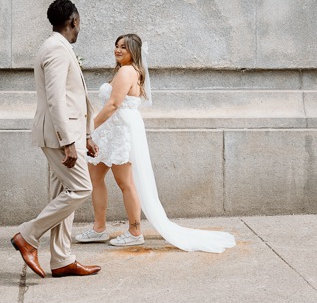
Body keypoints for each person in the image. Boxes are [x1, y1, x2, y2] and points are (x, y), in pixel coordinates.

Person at [75, 33, 236, 253]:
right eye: (116, 46)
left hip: (119, 131)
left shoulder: (127, 71)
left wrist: (89, 129)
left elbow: (113, 105)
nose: (118, 49)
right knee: (95, 177)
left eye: (124, 47)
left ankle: (134, 232)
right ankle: (99, 228)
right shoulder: (127, 71)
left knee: (125, 182)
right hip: (110, 131)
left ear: (134, 51)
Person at [11, 0, 102, 278]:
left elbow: (74, 98)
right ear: (73, 21)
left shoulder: (59, 47)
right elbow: (56, 100)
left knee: (62, 195)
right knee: (81, 189)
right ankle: (28, 235)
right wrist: (67, 141)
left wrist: (84, 134)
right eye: (79, 22)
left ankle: (61, 260)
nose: (79, 27)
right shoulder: (56, 50)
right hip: (57, 137)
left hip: (68, 134)